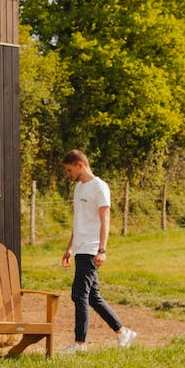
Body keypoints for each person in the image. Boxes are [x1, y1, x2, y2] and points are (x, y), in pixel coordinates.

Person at [59, 150, 137, 352]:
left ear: (79, 165)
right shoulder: (78, 188)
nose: (68, 174)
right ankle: (123, 332)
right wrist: (69, 248)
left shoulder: (99, 187)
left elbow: (105, 220)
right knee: (92, 296)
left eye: (69, 170)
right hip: (80, 248)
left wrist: (102, 249)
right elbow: (79, 222)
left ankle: (80, 344)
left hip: (91, 248)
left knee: (79, 295)